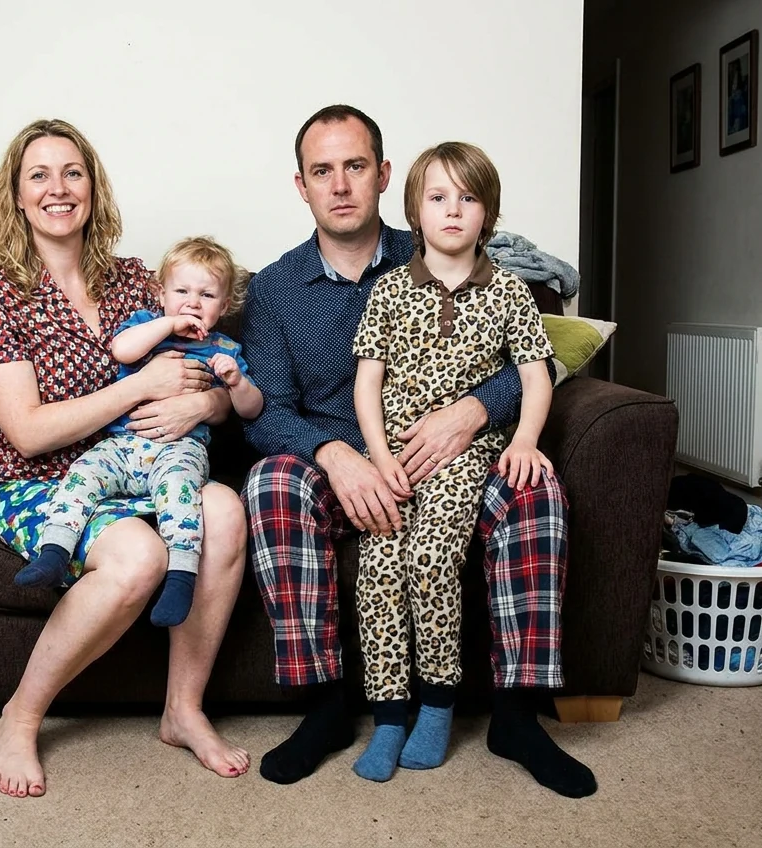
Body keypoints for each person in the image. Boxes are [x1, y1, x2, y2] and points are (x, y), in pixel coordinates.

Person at [240, 104, 596, 798]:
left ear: (383, 175)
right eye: (322, 171)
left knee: (535, 490)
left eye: (354, 166)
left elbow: (531, 356)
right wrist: (341, 458)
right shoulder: (276, 289)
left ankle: (516, 716)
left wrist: (471, 412)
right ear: (301, 185)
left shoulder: (438, 243)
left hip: (454, 461)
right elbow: (269, 415)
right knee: (270, 483)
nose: (340, 184)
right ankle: (326, 708)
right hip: (343, 469)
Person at [0, 118, 250, 798]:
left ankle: (183, 710)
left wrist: (206, 406)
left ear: (92, 188)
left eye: (73, 173)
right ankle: (19, 716)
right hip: (34, 481)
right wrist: (138, 388)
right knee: (139, 557)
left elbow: (197, 368)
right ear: (16, 195)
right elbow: (28, 432)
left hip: (144, 466)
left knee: (226, 510)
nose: (58, 188)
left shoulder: (132, 281)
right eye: (39, 175)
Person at [349, 141, 555, 782]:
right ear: (414, 210)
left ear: (487, 212)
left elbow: (536, 375)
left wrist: (522, 441)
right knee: (379, 564)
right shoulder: (387, 291)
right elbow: (366, 383)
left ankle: (437, 705)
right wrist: (380, 459)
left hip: (466, 456)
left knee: (431, 557)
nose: (453, 211)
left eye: (468, 198)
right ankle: (389, 716)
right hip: (396, 454)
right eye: (438, 197)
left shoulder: (510, 294)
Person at [17, 236, 264, 628]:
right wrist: (168, 323)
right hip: (122, 445)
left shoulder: (225, 349)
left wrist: (235, 383)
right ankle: (55, 549)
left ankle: (182, 575)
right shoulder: (146, 327)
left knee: (182, 493)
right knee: (82, 473)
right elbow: (122, 351)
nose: (193, 303)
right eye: (181, 291)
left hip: (179, 449)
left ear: (225, 305)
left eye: (207, 295)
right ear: (160, 293)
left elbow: (250, 409)